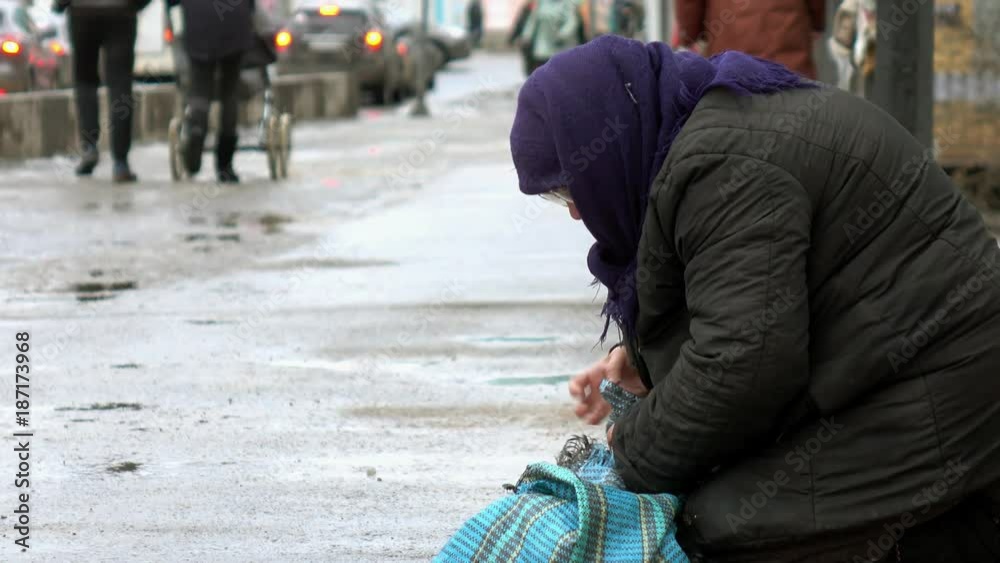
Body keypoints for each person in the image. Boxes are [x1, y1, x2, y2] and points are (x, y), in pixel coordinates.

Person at [510, 35, 1000, 562]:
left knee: (715, 525)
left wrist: (628, 450)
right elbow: (745, 302)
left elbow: (743, 364)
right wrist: (646, 364)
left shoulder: (724, 165)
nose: (574, 211)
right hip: (898, 370)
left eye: (568, 187)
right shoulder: (703, 135)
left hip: (947, 383)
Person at [54, 0, 149, 183]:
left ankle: (89, 148)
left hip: (82, 12)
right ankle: (120, 162)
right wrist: (135, 5)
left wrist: (61, 4)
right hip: (121, 11)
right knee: (121, 85)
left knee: (85, 81)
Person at [167, 0, 255, 183]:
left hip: (199, 22)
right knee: (229, 92)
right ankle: (225, 166)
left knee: (200, 88)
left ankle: (196, 133)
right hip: (235, 21)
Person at [675, 0, 826, 79]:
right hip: (789, 50)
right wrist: (817, 22)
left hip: (731, 53)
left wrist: (690, 34)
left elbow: (689, 4)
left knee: (734, 120)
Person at [515, 0, 580, 76]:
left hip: (559, 47)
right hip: (541, 47)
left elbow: (571, 22)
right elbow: (532, 21)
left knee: (559, 74)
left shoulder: (566, 4)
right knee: (542, 72)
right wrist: (526, 36)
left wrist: (562, 35)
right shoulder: (542, 3)